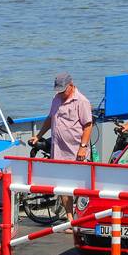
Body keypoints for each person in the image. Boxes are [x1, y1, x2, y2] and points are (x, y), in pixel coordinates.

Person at [29, 72, 93, 223]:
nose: (60, 93)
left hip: (76, 151)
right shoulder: (56, 99)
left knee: (81, 187)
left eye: (63, 90)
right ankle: (70, 219)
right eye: (58, 90)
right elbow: (50, 118)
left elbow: (88, 126)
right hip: (59, 151)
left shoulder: (81, 101)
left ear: (71, 85)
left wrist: (83, 147)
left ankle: (83, 217)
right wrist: (38, 136)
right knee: (64, 187)